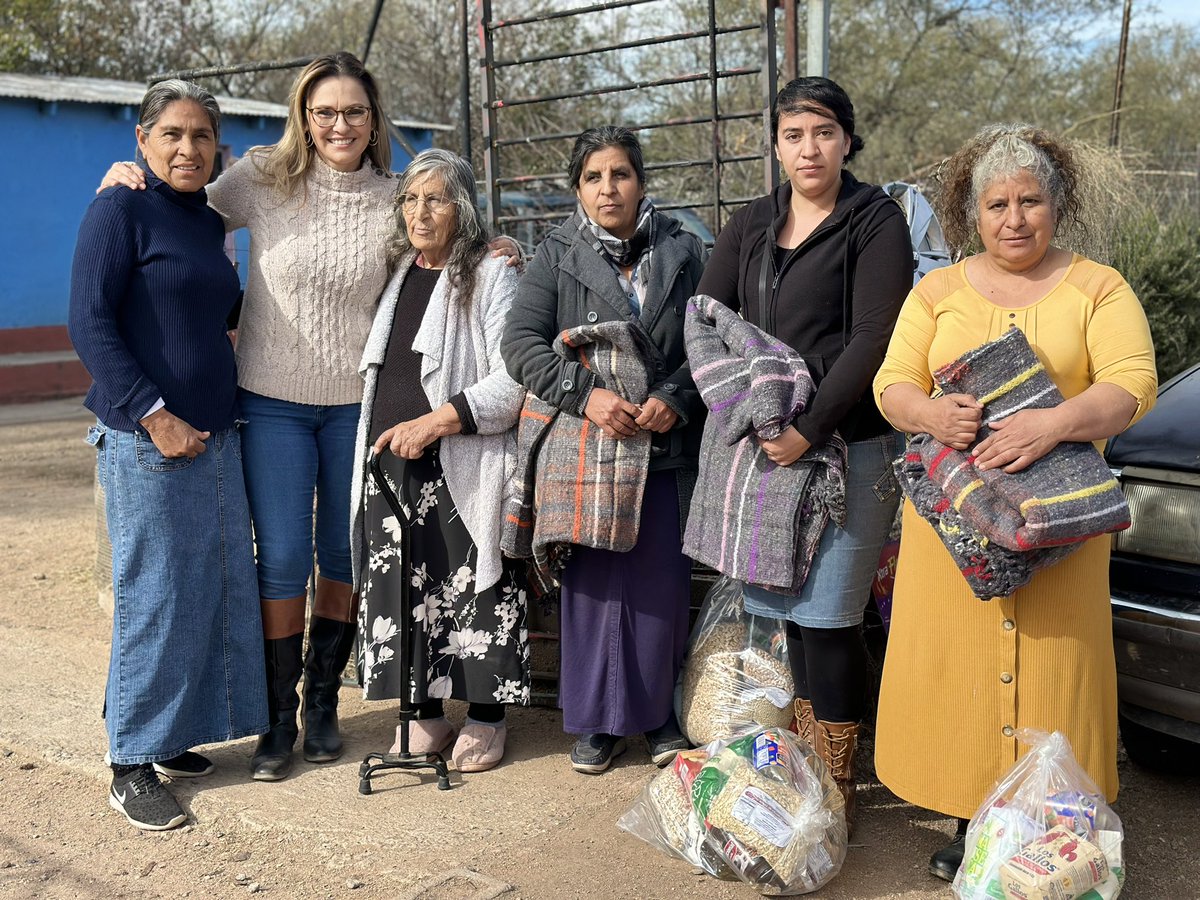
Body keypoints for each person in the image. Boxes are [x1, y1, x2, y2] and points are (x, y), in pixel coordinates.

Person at [98, 54, 520, 781]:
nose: (339, 125)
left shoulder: (395, 195)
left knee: (344, 555)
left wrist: (493, 247)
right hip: (270, 402)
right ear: (304, 117)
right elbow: (184, 201)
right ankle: (276, 715)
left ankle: (324, 702)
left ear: (373, 118)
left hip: (354, 411)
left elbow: (439, 239)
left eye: (354, 111)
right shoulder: (262, 178)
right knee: (284, 558)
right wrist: (124, 182)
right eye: (324, 112)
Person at [871, 123, 1158, 881]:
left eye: (1030, 200)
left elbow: (1132, 383)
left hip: (1062, 526)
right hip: (955, 527)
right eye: (997, 203)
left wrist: (1054, 422)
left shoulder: (1100, 286)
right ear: (972, 211)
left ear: (1056, 204)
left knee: (1058, 669)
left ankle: (1055, 822)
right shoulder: (936, 290)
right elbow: (890, 382)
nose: (1015, 217)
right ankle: (975, 818)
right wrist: (931, 413)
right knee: (954, 667)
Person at [692, 76, 913, 828]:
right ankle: (800, 778)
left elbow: (872, 338)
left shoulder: (873, 220)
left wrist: (808, 427)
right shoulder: (752, 223)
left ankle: (834, 788)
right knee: (786, 619)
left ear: (847, 138)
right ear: (777, 145)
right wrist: (753, 412)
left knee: (831, 618)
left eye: (822, 131)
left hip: (848, 448)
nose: (808, 147)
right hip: (765, 447)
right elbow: (708, 317)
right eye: (793, 134)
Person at [69, 80, 267, 830]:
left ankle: (166, 733)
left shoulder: (204, 219)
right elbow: (88, 320)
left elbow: (221, 313)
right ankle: (129, 765)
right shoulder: (118, 209)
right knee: (153, 598)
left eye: (202, 136)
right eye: (173, 135)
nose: (188, 148)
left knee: (203, 590)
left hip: (216, 437)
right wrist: (155, 416)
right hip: (148, 440)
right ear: (143, 141)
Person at [502, 125, 706, 774]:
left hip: (663, 446)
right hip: (587, 450)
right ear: (578, 189)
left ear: (641, 181)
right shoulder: (556, 253)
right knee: (591, 591)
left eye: (620, 174)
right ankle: (596, 723)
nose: (608, 187)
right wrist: (585, 394)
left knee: (659, 589)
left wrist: (674, 396)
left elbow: (711, 339)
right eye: (593, 177)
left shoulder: (683, 251)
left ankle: (659, 719)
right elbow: (521, 344)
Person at [350, 149, 529, 773]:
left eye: (437, 199)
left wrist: (434, 423)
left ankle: (484, 714)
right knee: (401, 592)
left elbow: (515, 381)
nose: (420, 213)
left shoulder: (489, 273)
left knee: (471, 586)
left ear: (463, 207)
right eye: (410, 200)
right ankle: (422, 716)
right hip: (389, 464)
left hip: (457, 459)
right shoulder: (398, 271)